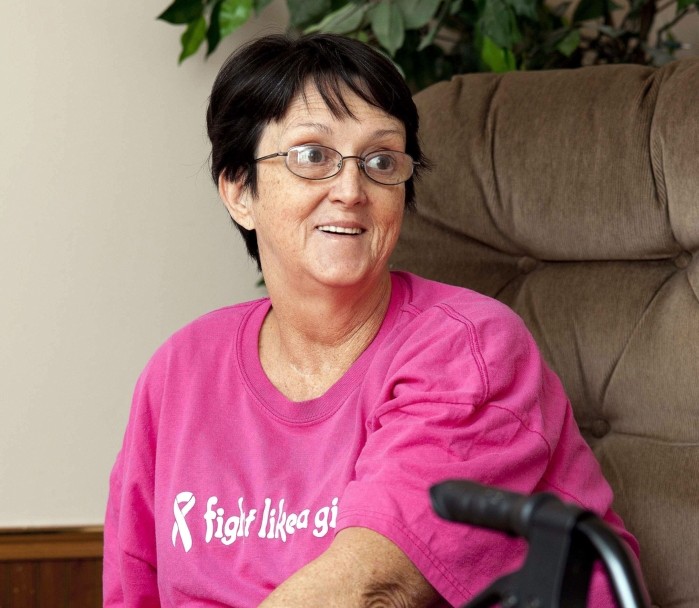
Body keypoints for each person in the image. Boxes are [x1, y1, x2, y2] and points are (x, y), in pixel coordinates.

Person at [103, 33, 642, 607]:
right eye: (313, 156)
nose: (351, 190)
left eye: (381, 161)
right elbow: (132, 591)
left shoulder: (469, 347)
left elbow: (372, 588)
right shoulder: (180, 370)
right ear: (239, 191)